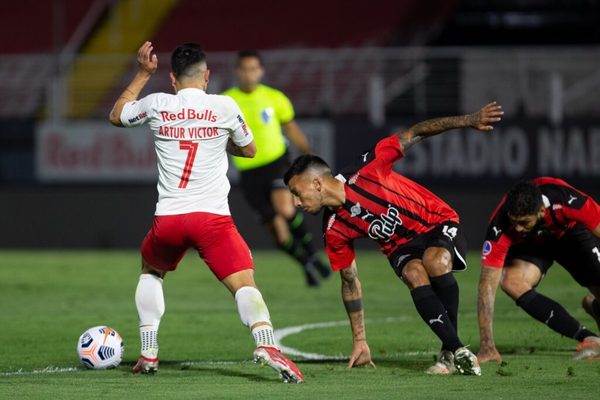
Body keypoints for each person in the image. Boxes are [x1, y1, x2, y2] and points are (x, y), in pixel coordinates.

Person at [108, 41, 304, 383]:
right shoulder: (224, 106)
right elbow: (249, 149)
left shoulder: (157, 104)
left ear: (172, 78)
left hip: (169, 218)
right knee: (244, 282)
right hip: (212, 220)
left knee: (151, 271)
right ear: (207, 76)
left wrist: (142, 74)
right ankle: (266, 343)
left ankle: (149, 351)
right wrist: (216, 139)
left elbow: (117, 115)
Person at [284, 102, 504, 375]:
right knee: (414, 273)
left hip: (436, 221)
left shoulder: (369, 167)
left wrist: (468, 119)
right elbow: (350, 281)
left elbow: (416, 133)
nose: (295, 202)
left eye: (297, 192)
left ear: (317, 183)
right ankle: (456, 349)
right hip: (400, 247)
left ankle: (450, 350)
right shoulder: (332, 228)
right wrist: (360, 340)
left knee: (435, 261)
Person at [222, 50, 330, 287]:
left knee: (286, 208)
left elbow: (291, 129)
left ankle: (313, 254)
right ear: (237, 72)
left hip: (276, 162)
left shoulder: (275, 97)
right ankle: (307, 262)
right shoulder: (226, 101)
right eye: (244, 69)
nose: (249, 74)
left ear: (260, 71)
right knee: (278, 233)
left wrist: (309, 155)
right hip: (249, 171)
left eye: (253, 69)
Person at [477, 177, 600, 363]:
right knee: (510, 281)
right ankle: (588, 337)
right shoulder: (501, 224)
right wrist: (487, 346)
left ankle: (594, 304)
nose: (517, 228)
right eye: (514, 222)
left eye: (524, 222)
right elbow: (487, 283)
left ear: (541, 211)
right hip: (532, 245)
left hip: (570, 234)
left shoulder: (567, 200)